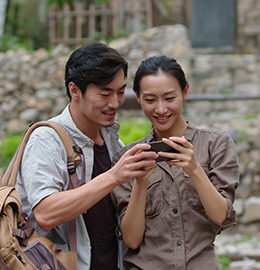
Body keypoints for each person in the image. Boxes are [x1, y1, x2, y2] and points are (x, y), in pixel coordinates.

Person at [16, 43, 158, 270]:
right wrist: (113, 176)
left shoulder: (114, 143)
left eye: (120, 92)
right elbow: (45, 212)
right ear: (74, 90)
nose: (114, 103)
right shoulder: (47, 139)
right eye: (104, 93)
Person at [111, 55, 240, 269]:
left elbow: (220, 217)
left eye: (169, 98)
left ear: (185, 92)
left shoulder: (215, 143)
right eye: (150, 100)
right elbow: (131, 240)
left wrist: (195, 170)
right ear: (138, 98)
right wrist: (141, 186)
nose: (161, 109)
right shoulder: (128, 157)